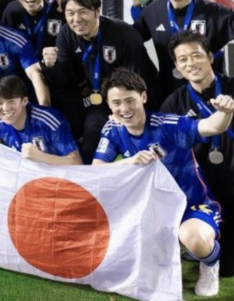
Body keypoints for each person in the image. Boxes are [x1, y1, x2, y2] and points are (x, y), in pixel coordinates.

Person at [93, 68, 231, 298]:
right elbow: (97, 170)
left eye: (130, 100)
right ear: (108, 104)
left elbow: (212, 126)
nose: (124, 109)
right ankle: (173, 245)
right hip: (150, 210)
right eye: (116, 103)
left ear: (143, 97)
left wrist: (226, 112)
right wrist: (129, 162)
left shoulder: (169, 125)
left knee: (195, 240)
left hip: (192, 205)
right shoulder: (112, 129)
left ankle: (209, 264)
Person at [44, 0, 156, 162]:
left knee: (109, 138)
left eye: (83, 12)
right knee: (82, 139)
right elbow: (64, 80)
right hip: (94, 102)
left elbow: (141, 80)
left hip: (129, 102)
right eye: (70, 13)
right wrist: (51, 65)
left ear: (97, 11)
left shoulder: (123, 33)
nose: (76, 19)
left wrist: (119, 108)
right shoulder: (66, 33)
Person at [160, 30, 234, 277]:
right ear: (177, 66)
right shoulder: (174, 102)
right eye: (183, 59)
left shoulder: (232, 87)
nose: (190, 63)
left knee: (229, 269)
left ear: (211, 57)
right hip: (202, 187)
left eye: (196, 55)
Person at [134, 0, 234, 92]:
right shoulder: (151, 12)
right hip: (167, 93)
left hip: (211, 93)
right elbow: (129, 41)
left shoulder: (216, 13)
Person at [0, 75, 81, 165]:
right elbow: (1, 138)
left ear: (24, 101)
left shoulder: (48, 121)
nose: (6, 108)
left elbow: (76, 162)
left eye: (11, 101)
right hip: (29, 179)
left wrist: (41, 156)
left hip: (59, 178)